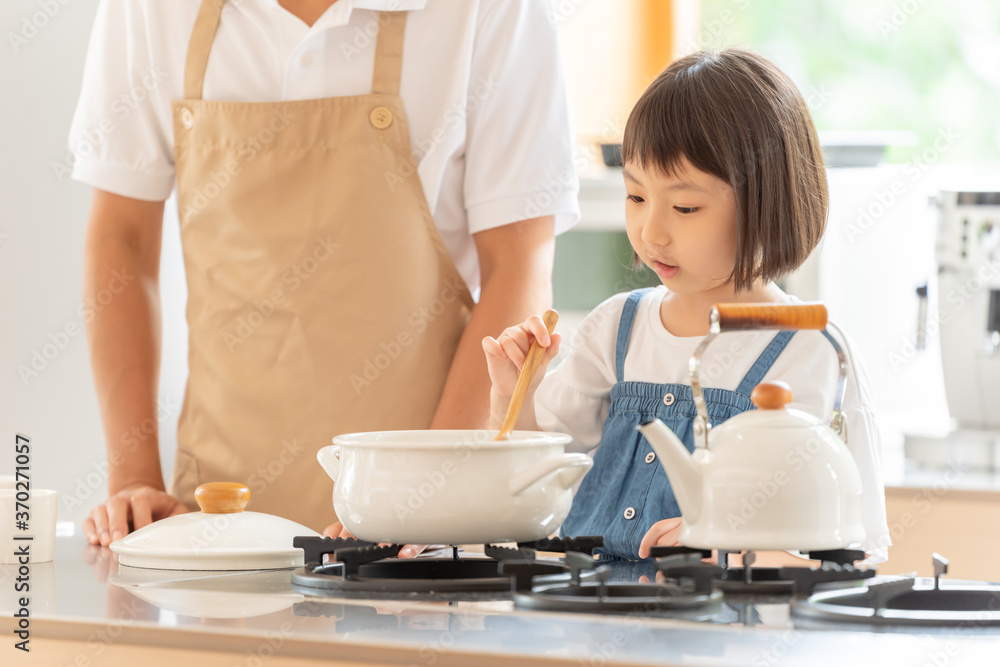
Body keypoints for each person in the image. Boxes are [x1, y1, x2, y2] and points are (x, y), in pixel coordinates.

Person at [72, 0, 579, 547]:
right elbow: (121, 238)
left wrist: (427, 501)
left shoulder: (498, 11)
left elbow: (519, 265)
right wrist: (136, 479)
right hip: (214, 522)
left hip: (420, 537)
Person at [483, 48, 890, 563]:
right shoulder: (616, 328)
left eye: (684, 207)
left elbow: (856, 552)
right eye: (635, 197)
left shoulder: (813, 351)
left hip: (722, 636)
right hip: (581, 620)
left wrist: (730, 549)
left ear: (768, 202)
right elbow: (534, 487)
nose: (650, 231)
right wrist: (513, 397)